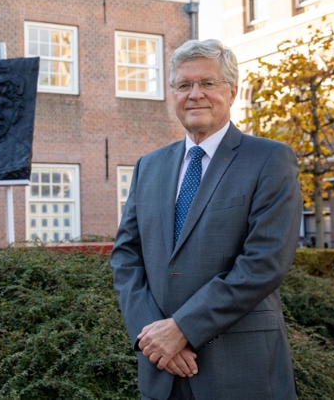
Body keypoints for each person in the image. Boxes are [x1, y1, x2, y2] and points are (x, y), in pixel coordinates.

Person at [110, 39, 302, 400]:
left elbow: (264, 262)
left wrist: (183, 328)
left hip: (241, 371)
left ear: (232, 91)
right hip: (162, 371)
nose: (195, 94)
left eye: (207, 83)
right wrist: (152, 336)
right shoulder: (148, 167)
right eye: (184, 85)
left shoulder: (269, 160)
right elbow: (125, 256)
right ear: (173, 95)